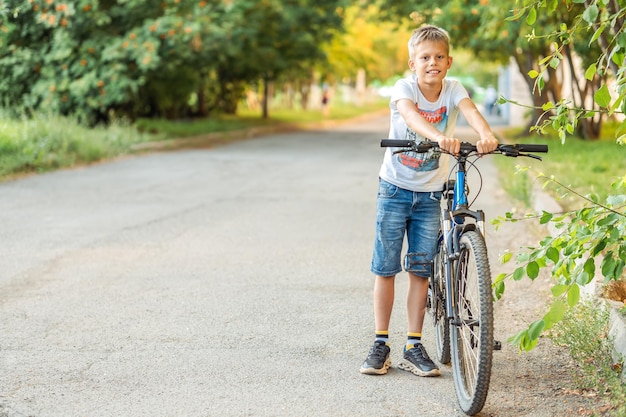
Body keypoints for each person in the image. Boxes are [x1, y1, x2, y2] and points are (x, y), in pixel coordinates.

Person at [360, 25, 498, 377]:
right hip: (394, 187)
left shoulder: (453, 89)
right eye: (425, 57)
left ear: (449, 62)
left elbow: (470, 111)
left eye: (439, 57)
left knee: (420, 270)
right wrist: (439, 136)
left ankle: (413, 344)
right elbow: (410, 115)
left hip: (428, 194)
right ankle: (380, 343)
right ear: (413, 63)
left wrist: (486, 134)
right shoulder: (404, 88)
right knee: (386, 268)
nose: (432, 63)